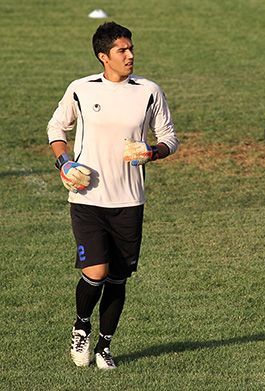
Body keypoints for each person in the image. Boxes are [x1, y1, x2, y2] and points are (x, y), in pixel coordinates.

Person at [47, 21, 179, 369]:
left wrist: (152, 152)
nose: (130, 54)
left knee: (118, 278)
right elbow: (56, 127)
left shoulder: (149, 91)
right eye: (122, 50)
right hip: (88, 199)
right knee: (96, 272)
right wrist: (64, 163)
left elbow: (170, 138)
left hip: (129, 202)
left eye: (131, 47)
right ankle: (81, 327)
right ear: (103, 56)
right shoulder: (81, 89)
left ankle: (105, 346)